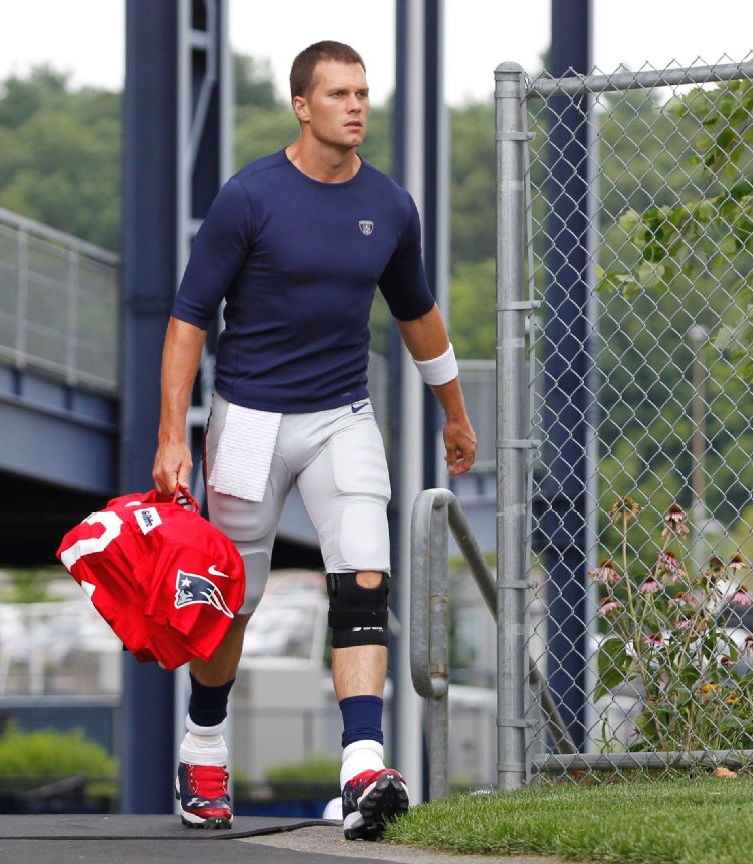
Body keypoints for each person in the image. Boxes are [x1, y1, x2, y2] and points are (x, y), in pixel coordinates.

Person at [152, 40, 476, 841]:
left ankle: (361, 765)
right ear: (302, 106)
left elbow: (418, 314)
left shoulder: (391, 206)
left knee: (365, 577)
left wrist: (456, 412)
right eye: (338, 94)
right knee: (231, 598)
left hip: (341, 416)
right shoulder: (249, 198)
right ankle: (203, 744)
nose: (356, 106)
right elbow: (188, 319)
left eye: (363, 92)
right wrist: (173, 437)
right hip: (249, 421)